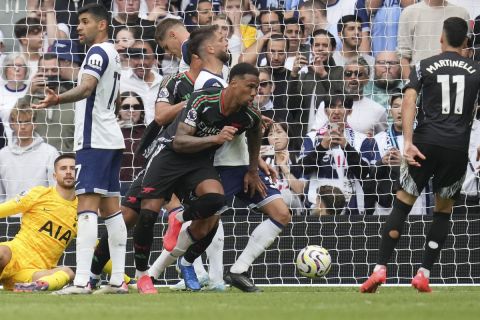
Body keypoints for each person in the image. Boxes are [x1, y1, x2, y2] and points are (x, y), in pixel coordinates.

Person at [360, 17, 480, 293]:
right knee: (443, 211)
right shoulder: (476, 70)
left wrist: (409, 141)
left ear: (441, 38)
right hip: (456, 148)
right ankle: (424, 274)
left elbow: (410, 99)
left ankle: (379, 270)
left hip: (425, 143)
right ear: (466, 41)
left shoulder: (424, 66)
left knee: (402, 204)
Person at [137, 63, 263, 292]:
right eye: (250, 87)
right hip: (169, 155)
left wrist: (253, 170)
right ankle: (143, 275)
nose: (255, 93)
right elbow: (180, 141)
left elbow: (256, 130)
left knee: (216, 203)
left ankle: (179, 222)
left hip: (198, 162)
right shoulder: (202, 100)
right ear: (233, 84)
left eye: (258, 87)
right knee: (147, 214)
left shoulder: (249, 114)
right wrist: (215, 139)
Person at [33, 3, 128, 294]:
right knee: (112, 211)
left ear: (101, 25)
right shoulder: (113, 53)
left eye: (85, 22)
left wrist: (57, 99)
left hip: (94, 140)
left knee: (86, 208)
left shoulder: (97, 52)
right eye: (78, 22)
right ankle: (117, 280)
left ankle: (82, 280)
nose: (78, 27)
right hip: (111, 138)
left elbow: (86, 87)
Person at [0, 154, 76, 292]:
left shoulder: (82, 211)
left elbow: (94, 248)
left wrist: (124, 279)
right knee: (1, 251)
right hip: (14, 254)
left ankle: (35, 287)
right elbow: (4, 209)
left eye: (73, 168)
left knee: (68, 272)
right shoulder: (38, 194)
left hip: (36, 272)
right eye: (63, 168)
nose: (69, 172)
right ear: (54, 175)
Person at [0, 100, 59, 203]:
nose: (23, 127)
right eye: (19, 122)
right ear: (12, 125)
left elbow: (56, 191)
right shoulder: (2, 155)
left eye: (27, 121)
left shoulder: (50, 153)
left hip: (41, 216)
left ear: (35, 124)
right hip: (9, 216)